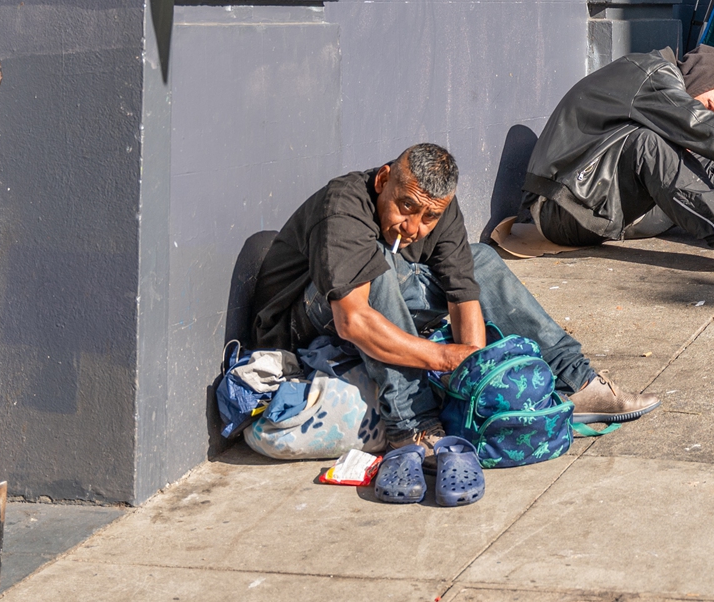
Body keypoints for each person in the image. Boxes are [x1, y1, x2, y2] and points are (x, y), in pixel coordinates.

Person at [249, 143, 661, 449]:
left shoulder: (439, 211)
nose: (414, 226)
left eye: (429, 215)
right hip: (304, 319)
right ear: (382, 182)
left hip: (387, 290)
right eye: (405, 207)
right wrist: (447, 359)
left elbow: (464, 295)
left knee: (481, 258)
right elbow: (352, 321)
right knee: (377, 263)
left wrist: (474, 370)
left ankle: (578, 381)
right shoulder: (344, 205)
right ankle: (412, 425)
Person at [525, 45, 714, 275]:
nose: (713, 116)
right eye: (710, 105)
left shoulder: (661, 93)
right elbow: (697, 124)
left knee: (701, 149)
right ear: (700, 80)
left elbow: (702, 130)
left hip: (607, 207)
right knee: (652, 143)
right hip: (563, 210)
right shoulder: (649, 73)